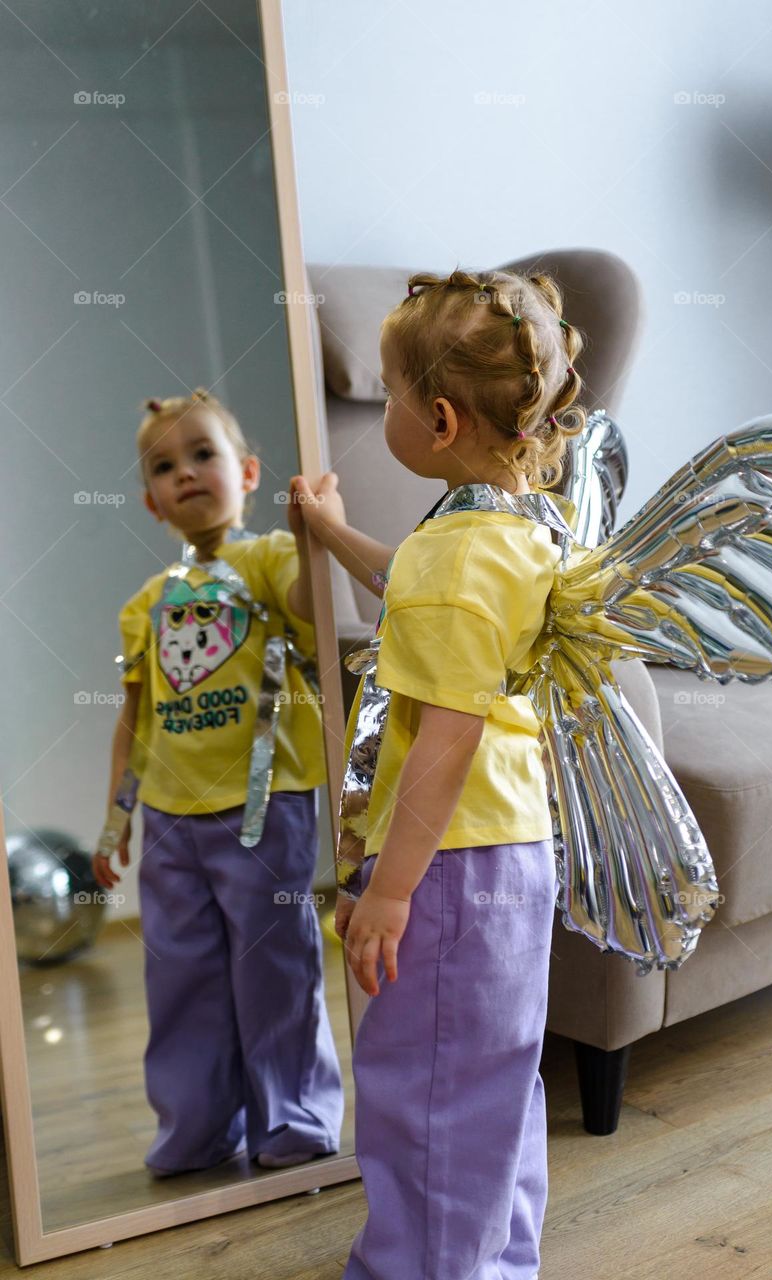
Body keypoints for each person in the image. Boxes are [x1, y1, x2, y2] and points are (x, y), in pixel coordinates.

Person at [294, 268, 586, 1279]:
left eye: (384, 394)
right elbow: (407, 587)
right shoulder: (512, 530)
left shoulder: (457, 558)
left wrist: (388, 888)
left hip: (449, 866)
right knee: (491, 1085)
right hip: (509, 855)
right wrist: (331, 535)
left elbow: (447, 733)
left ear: (441, 416)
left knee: (422, 1092)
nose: (378, 408)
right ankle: (494, 1264)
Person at [94, 387, 343, 1176]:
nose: (187, 473)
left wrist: (314, 537)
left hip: (266, 807)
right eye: (166, 466)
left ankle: (293, 1119)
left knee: (273, 968)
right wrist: (115, 819)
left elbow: (312, 605)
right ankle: (197, 1127)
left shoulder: (269, 559)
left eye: (203, 454)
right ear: (150, 502)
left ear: (247, 470)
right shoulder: (143, 607)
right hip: (171, 820)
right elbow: (135, 719)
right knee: (181, 976)